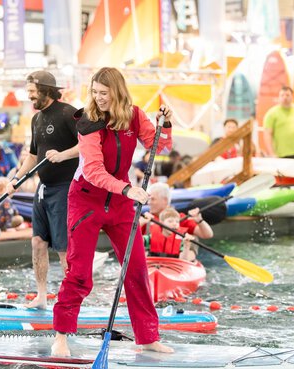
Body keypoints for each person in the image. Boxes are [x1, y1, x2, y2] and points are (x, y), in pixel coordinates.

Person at [52, 67, 173, 357]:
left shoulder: (134, 115)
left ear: (117, 92)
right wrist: (128, 189)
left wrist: (165, 124)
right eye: (94, 92)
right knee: (80, 274)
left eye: (103, 93)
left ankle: (147, 337)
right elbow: (93, 170)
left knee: (137, 270)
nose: (98, 98)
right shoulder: (89, 121)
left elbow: (162, 147)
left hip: (119, 205)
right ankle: (61, 335)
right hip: (86, 200)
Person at [5, 70, 79, 310]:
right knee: (37, 242)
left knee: (63, 247)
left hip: (65, 188)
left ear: (47, 90)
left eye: (32, 92)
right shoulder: (36, 119)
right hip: (43, 188)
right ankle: (42, 296)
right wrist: (15, 179)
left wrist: (63, 155)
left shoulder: (69, 113)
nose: (29, 97)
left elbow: (88, 145)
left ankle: (70, 300)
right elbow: (33, 155)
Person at [140, 182, 214, 241]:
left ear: (165, 200)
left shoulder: (179, 218)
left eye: (153, 199)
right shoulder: (146, 218)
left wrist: (199, 221)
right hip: (151, 258)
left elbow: (208, 235)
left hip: (174, 258)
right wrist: (140, 223)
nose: (149, 202)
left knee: (194, 240)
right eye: (149, 199)